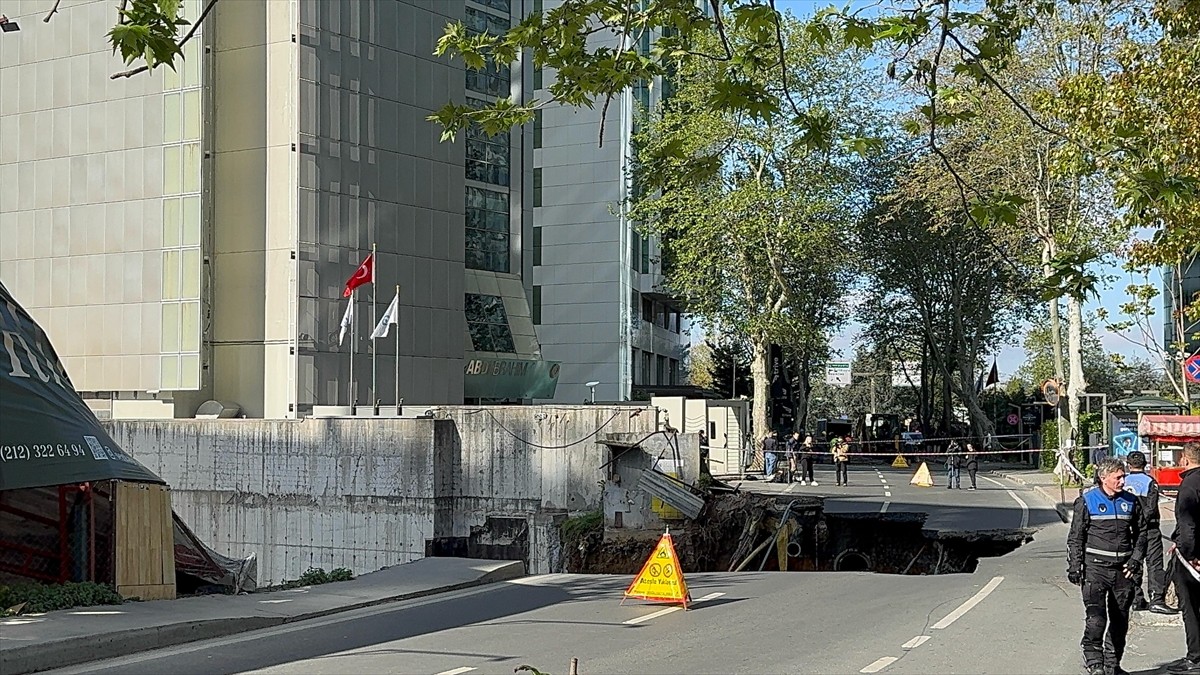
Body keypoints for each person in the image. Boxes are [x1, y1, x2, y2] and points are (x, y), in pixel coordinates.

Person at [1067, 457, 1147, 675]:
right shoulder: (1087, 501)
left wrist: (1136, 560)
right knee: (1096, 618)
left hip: (1123, 571)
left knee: (1120, 620)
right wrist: (1075, 566)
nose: (1123, 480)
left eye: (1124, 476)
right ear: (1104, 478)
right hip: (1096, 569)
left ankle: (1113, 665)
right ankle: (1094, 661)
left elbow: (1141, 534)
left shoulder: (1131, 501)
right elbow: (1076, 537)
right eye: (1118, 477)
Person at [1123, 450, 1175, 614]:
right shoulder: (1150, 482)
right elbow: (1151, 508)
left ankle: (1137, 599)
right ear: (1145, 464)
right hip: (1150, 528)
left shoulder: (1123, 481)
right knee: (1154, 564)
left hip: (1130, 529)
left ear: (1128, 465)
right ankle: (1156, 599)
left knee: (1134, 563)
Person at [1168, 442, 1200, 674]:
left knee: (1190, 607)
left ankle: (1195, 656)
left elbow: (1187, 525)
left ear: (1185, 460)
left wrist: (1188, 554)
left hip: (1193, 557)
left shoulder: (1188, 486)